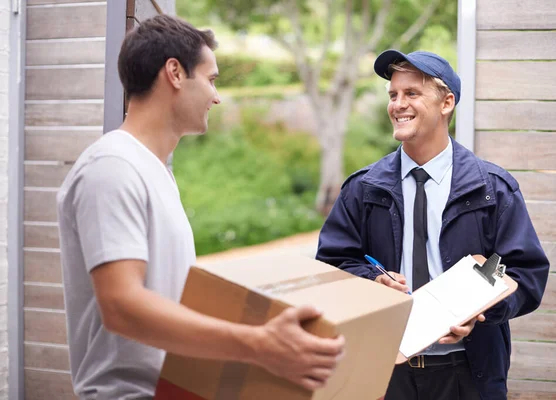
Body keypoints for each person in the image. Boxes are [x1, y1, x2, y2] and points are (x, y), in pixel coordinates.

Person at [57, 15, 344, 400]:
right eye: (211, 79)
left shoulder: (153, 171)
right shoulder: (112, 168)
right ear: (175, 72)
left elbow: (170, 300)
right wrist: (259, 344)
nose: (217, 96)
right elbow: (122, 306)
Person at [316, 49, 549, 400]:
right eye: (393, 94)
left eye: (412, 93)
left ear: (446, 103)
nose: (398, 104)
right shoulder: (363, 189)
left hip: (470, 374)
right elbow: (332, 265)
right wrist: (372, 281)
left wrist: (481, 311)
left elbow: (524, 272)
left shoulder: (494, 190)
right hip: (385, 373)